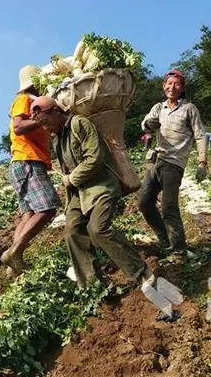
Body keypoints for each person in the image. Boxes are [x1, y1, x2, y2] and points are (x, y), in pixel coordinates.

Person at [29, 96, 152, 288]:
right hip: (78, 194)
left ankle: (141, 273)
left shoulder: (80, 124)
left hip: (101, 186)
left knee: (98, 230)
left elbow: (95, 158)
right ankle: (93, 286)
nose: (46, 128)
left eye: (46, 122)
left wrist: (70, 179)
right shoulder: (57, 139)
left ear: (56, 111)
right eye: (41, 126)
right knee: (72, 233)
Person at [138, 69, 208, 262]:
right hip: (157, 161)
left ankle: (178, 251)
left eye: (176, 84)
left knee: (169, 207)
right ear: (164, 86)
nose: (172, 87)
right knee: (144, 203)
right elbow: (146, 125)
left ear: (182, 87)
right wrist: (148, 123)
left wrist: (202, 162)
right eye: (169, 83)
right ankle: (165, 239)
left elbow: (200, 135)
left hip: (174, 164)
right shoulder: (159, 108)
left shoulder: (189, 109)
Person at [0, 65, 61, 276]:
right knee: (48, 208)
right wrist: (40, 118)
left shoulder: (29, 102)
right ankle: (15, 251)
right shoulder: (25, 100)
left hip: (20, 164)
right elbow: (18, 127)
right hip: (28, 161)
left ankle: (12, 266)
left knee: (29, 215)